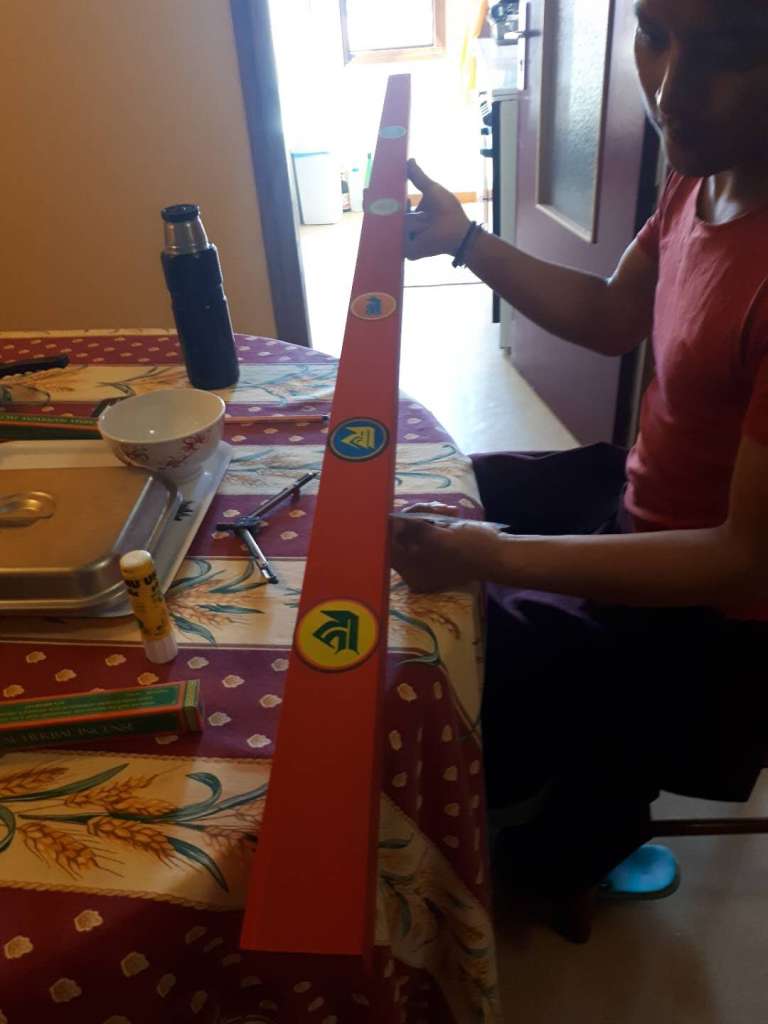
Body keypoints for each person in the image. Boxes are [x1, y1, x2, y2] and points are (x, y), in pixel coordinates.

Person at [392, 0, 768, 938]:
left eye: (729, 50)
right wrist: (466, 241)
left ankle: (565, 855)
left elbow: (740, 561)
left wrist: (492, 555)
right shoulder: (704, 174)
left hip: (712, 615)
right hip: (642, 501)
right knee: (443, 484)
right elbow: (610, 316)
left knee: (476, 657)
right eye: (654, 34)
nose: (670, 90)